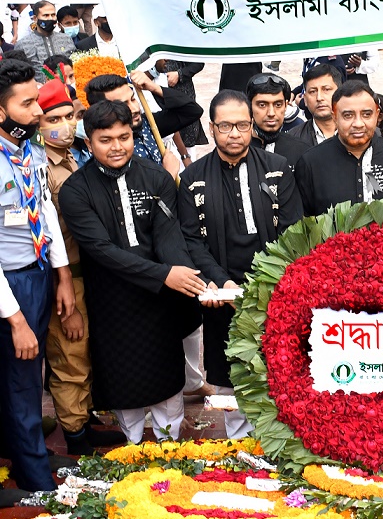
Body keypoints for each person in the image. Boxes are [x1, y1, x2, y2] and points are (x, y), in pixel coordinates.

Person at [61, 100, 205, 444]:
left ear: (132, 134)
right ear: (89, 142)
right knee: (124, 381)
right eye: (105, 139)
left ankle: (170, 448)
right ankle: (133, 449)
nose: (116, 146)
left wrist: (181, 274)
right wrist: (164, 275)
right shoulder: (75, 191)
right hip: (112, 300)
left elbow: (169, 238)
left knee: (167, 379)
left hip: (158, 301)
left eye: (123, 137)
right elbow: (101, 251)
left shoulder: (155, 177)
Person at [178, 90, 303, 438]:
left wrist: (268, 279)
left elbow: (294, 230)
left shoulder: (277, 169)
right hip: (221, 294)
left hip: (273, 290)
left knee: (279, 368)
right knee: (231, 372)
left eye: (242, 125)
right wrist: (219, 281)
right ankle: (238, 442)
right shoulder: (193, 178)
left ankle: (281, 442)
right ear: (211, 126)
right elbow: (191, 239)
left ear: (252, 126)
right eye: (226, 126)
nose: (234, 133)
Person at [37, 79, 126, 456]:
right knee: (70, 355)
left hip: (87, 271)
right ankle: (74, 435)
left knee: (86, 351)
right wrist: (66, 286)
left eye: (69, 115)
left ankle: (84, 418)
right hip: (65, 276)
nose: (64, 124)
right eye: (52, 118)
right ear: (37, 126)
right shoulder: (40, 167)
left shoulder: (73, 154)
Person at [0, 59, 73, 493]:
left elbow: (42, 212)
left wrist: (62, 276)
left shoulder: (25, 150)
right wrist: (16, 319)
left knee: (28, 378)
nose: (37, 113)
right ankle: (34, 478)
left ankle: (30, 452)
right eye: (26, 104)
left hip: (39, 272)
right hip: (10, 286)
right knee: (21, 384)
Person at [295, 80, 383, 216]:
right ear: (335, 117)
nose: (358, 123)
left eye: (366, 114)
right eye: (348, 115)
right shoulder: (311, 163)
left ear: (377, 115)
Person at [85, 72, 203, 181]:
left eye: (133, 99)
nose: (135, 109)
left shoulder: (148, 124)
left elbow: (192, 111)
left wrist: (153, 87)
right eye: (123, 104)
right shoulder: (112, 154)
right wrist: (169, 176)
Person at [246, 72, 309, 173]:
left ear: (286, 105)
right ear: (249, 106)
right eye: (262, 105)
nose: (271, 113)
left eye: (278, 105)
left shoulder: (301, 152)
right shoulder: (237, 151)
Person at [15, 1, 75, 83]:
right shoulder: (23, 44)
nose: (50, 18)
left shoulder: (66, 39)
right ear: (35, 18)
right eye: (46, 15)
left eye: (53, 15)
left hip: (67, 88)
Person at [159, 59, 208, 157]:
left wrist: (180, 74)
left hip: (182, 93)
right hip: (158, 96)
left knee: (187, 139)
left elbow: (198, 62)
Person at [290, 63, 341, 147]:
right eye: (313, 91)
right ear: (305, 99)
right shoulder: (293, 140)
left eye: (326, 89)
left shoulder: (359, 132)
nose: (319, 98)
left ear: (340, 94)